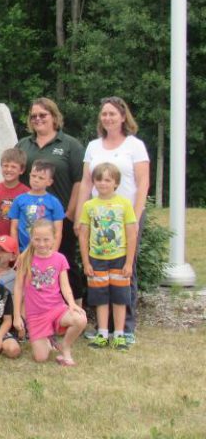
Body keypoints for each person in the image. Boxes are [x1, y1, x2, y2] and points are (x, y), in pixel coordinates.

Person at [75, 96, 149, 344]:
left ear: (123, 117)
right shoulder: (93, 146)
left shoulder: (134, 145)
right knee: (98, 273)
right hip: (97, 218)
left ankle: (125, 328)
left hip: (125, 217)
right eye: (104, 114)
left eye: (113, 114)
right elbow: (86, 182)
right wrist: (79, 216)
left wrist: (135, 219)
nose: (108, 118)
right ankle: (102, 328)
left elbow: (143, 183)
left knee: (125, 272)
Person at [15, 97, 85, 302]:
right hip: (31, 221)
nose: (38, 119)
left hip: (60, 218)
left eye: (43, 115)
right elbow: (16, 178)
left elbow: (80, 181)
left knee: (64, 263)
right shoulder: (23, 145)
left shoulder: (70, 145)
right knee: (35, 265)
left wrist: (70, 213)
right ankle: (39, 308)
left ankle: (75, 309)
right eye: (33, 116)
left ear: (54, 117)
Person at [79, 163, 138, 351]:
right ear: (94, 182)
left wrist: (129, 262)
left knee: (120, 297)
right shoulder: (89, 205)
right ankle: (103, 333)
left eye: (107, 180)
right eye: (99, 179)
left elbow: (131, 234)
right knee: (100, 297)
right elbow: (83, 235)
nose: (103, 183)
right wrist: (86, 261)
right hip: (96, 259)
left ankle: (119, 335)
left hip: (119, 258)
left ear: (116, 183)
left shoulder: (124, 204)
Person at [12, 220, 86, 365]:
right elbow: (18, 288)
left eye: (46, 239)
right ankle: (47, 339)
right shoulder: (24, 258)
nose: (41, 244)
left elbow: (65, 286)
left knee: (80, 319)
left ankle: (65, 347)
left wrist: (71, 304)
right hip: (36, 315)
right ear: (31, 238)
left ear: (54, 239)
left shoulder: (60, 259)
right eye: (37, 239)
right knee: (40, 358)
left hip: (56, 309)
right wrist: (16, 316)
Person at [8, 160, 65, 252]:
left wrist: (53, 254)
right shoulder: (19, 199)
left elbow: (58, 232)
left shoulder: (54, 202)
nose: (36, 180)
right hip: (24, 251)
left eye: (41, 178)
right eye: (33, 176)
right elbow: (14, 229)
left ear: (49, 182)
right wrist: (16, 252)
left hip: (46, 251)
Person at [0, 148, 29, 241]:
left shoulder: (27, 193)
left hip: (18, 245)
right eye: (5, 166)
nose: (8, 169)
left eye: (13, 167)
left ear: (21, 170)